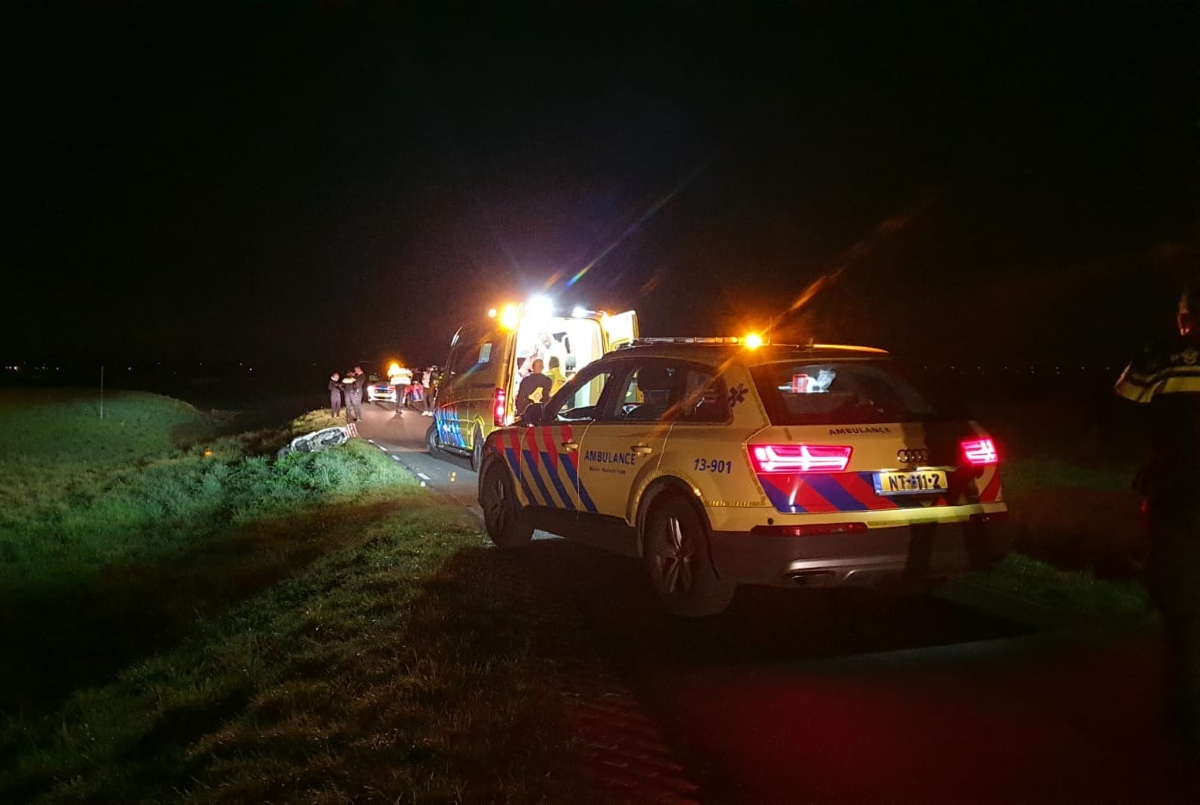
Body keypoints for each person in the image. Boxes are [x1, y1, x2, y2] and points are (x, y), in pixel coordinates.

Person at [1115, 274, 1200, 769]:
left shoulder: (1160, 356)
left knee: (1183, 612)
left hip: (1176, 499)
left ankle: (1186, 721)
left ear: (1183, 318)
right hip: (1175, 497)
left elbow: (1122, 407)